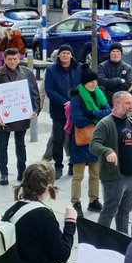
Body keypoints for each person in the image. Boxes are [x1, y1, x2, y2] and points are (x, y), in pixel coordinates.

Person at [89, 91, 132, 233]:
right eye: (127, 103)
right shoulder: (105, 123)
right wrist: (107, 151)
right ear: (116, 105)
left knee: (125, 211)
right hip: (115, 176)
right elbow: (94, 145)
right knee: (110, 210)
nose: (131, 107)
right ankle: (99, 242)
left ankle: (122, 239)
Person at [0, 48, 41, 187]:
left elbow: (34, 93)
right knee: (2, 144)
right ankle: (3, 173)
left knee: (20, 144)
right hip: (4, 116)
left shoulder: (26, 73)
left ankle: (22, 172)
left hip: (21, 114)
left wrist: (35, 110)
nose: (12, 62)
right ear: (4, 59)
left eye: (15, 59)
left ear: (19, 59)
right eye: (9, 59)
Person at [69, 68, 111, 215]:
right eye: (90, 82)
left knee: (95, 173)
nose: (93, 84)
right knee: (78, 175)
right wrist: (96, 118)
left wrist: (93, 113)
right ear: (84, 83)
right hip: (81, 140)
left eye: (95, 81)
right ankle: (75, 203)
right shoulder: (76, 96)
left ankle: (94, 200)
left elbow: (108, 111)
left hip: (96, 139)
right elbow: (78, 120)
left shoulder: (99, 93)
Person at [44, 47, 82, 178]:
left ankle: (73, 164)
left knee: (74, 139)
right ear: (59, 55)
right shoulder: (51, 70)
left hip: (76, 109)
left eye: (68, 53)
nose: (65, 56)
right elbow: (49, 90)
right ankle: (58, 166)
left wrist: (75, 101)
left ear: (71, 55)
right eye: (63, 53)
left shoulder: (79, 68)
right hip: (59, 110)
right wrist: (64, 102)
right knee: (58, 139)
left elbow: (83, 86)